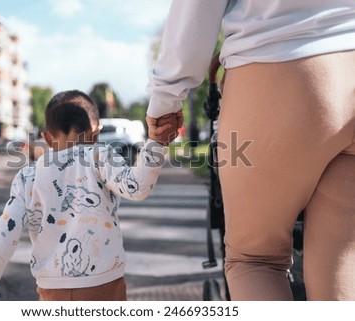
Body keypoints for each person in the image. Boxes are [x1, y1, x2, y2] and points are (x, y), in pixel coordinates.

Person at [146, 0, 355, 300]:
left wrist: (164, 100)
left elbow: (195, 14)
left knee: (255, 260)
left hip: (278, 60)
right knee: (344, 261)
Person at [0, 90, 180, 301]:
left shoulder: (28, 176)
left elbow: (5, 233)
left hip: (51, 288)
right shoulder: (100, 157)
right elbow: (138, 187)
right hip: (104, 283)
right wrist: (156, 143)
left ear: (46, 138)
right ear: (96, 133)